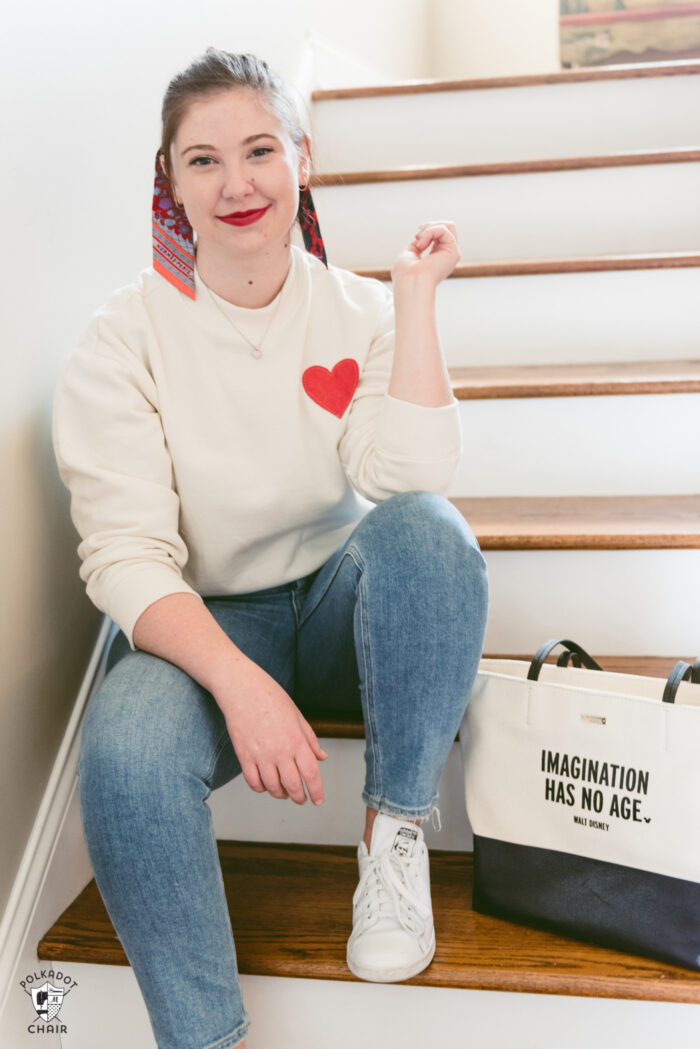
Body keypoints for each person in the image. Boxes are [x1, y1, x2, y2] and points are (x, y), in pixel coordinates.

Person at [53, 48, 488, 1049]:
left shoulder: (362, 311)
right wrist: (243, 685)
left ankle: (391, 838)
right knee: (122, 746)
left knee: (429, 534)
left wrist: (415, 299)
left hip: (339, 596)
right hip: (207, 621)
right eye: (202, 160)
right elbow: (125, 558)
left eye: (258, 149)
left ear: (302, 157)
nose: (236, 182)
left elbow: (408, 473)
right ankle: (206, 1036)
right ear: (169, 182)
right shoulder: (121, 339)